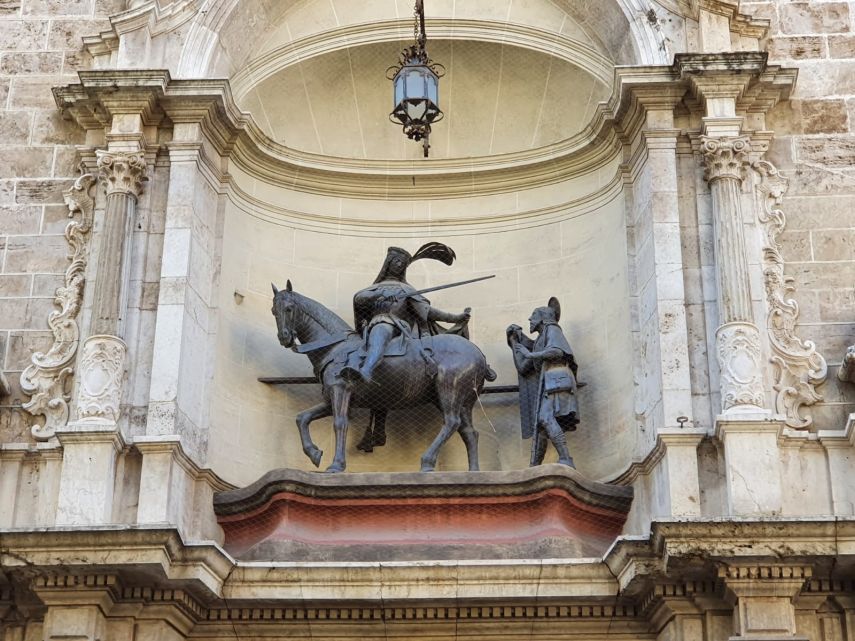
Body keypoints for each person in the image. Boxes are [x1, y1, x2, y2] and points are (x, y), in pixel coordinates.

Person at [340, 243, 471, 384]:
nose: (399, 265)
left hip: (396, 324)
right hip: (373, 323)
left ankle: (367, 370)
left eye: (402, 264)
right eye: (397, 261)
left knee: (382, 327)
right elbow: (359, 299)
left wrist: (454, 318)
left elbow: (427, 311)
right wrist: (380, 294)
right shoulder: (374, 288)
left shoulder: (406, 289)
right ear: (388, 263)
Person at [507, 297, 579, 467]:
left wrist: (531, 354)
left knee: (545, 418)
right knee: (541, 427)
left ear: (543, 318)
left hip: (557, 379)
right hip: (551, 383)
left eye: (533, 316)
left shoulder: (552, 329)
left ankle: (566, 458)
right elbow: (523, 368)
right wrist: (514, 342)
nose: (529, 319)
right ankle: (535, 466)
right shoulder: (539, 341)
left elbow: (557, 352)